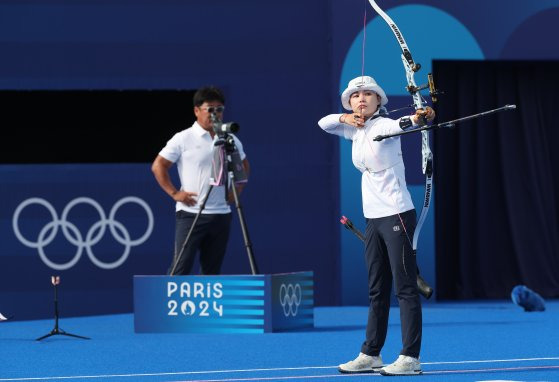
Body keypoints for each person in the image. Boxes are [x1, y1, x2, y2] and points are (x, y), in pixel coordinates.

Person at [318, 75, 435, 376]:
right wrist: (347, 118)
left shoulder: (383, 125)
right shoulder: (355, 129)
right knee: (376, 289)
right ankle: (371, 354)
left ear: (379, 101)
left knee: (405, 288)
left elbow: (405, 124)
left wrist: (422, 116)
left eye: (368, 94)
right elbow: (324, 123)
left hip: (397, 214)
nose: (361, 98)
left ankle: (410, 357)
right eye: (356, 95)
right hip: (373, 218)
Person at [152, 86, 249, 275]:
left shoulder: (230, 138)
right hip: (191, 213)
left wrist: (237, 190)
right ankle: (168, 305)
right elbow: (158, 165)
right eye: (210, 110)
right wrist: (175, 193)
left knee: (212, 271)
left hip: (221, 214)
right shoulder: (183, 138)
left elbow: (244, 165)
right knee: (181, 268)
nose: (215, 114)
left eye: (219, 109)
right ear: (197, 111)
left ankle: (205, 306)